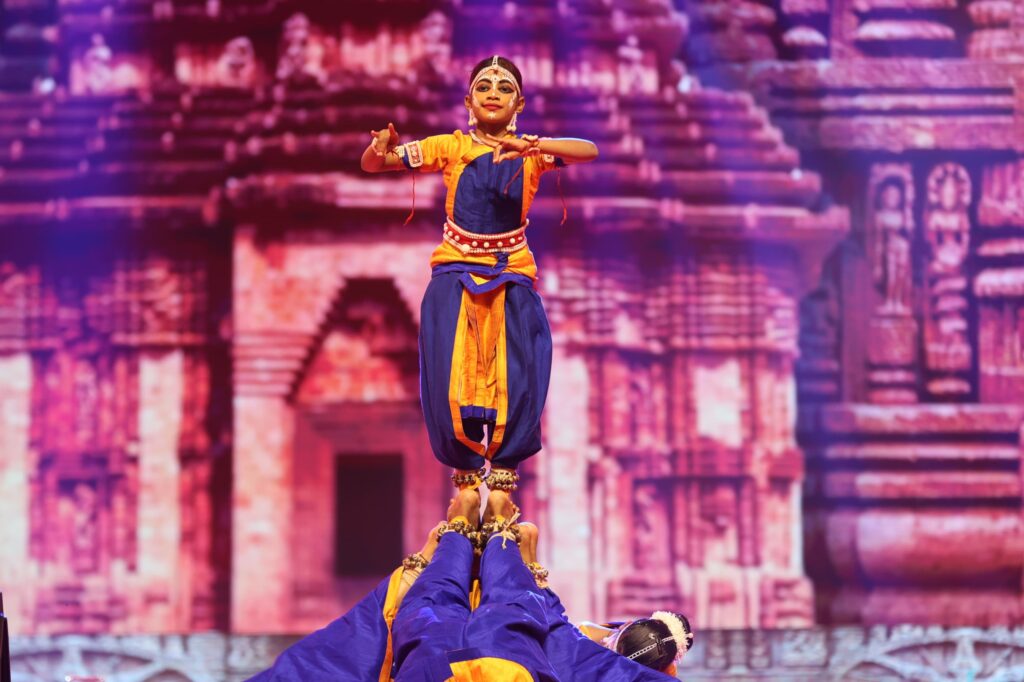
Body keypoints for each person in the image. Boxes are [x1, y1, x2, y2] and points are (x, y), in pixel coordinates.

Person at [360, 55, 599, 503]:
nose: (493, 92)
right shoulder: (451, 146)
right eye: (484, 85)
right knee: (451, 373)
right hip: (456, 270)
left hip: (510, 274)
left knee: (520, 369)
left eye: (504, 87)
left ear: (519, 102)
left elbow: (590, 149)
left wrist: (533, 145)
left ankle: (505, 479)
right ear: (469, 99)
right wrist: (379, 147)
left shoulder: (534, 152)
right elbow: (377, 165)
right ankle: (467, 483)